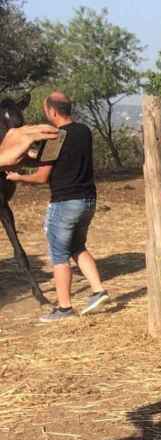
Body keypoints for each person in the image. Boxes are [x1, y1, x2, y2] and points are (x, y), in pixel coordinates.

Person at [5, 92, 108, 322]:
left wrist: (18, 178)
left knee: (59, 255)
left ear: (52, 111)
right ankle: (98, 290)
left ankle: (64, 308)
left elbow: (42, 177)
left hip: (64, 203)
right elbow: (59, 159)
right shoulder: (84, 131)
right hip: (88, 201)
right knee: (77, 246)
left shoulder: (56, 137)